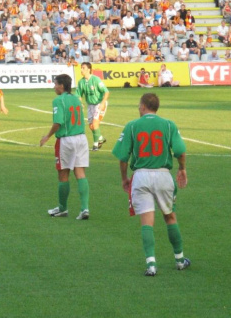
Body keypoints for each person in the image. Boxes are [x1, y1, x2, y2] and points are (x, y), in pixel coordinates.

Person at [111, 92, 191, 276]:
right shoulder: (169, 125)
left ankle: (151, 264)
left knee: (147, 221)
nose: (138, 108)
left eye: (139, 105)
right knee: (170, 216)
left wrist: (124, 178)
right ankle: (179, 260)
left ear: (144, 106)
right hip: (163, 175)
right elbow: (180, 150)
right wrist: (182, 169)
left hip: (140, 176)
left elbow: (123, 157)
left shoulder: (132, 126)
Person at [39, 74, 91, 220]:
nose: (54, 87)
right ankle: (84, 208)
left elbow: (58, 122)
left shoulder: (58, 100)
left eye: (55, 84)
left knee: (63, 174)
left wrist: (47, 136)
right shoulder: (76, 99)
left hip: (66, 140)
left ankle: (62, 208)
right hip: (81, 138)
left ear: (61, 86)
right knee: (80, 173)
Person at [76, 62, 109, 152]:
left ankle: (95, 145)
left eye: (83, 68)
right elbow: (78, 94)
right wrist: (81, 103)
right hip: (90, 105)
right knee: (91, 126)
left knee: (95, 124)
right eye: (81, 68)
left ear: (89, 69)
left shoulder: (96, 80)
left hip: (99, 103)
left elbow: (106, 92)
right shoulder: (81, 82)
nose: (81, 70)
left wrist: (102, 103)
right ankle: (100, 138)